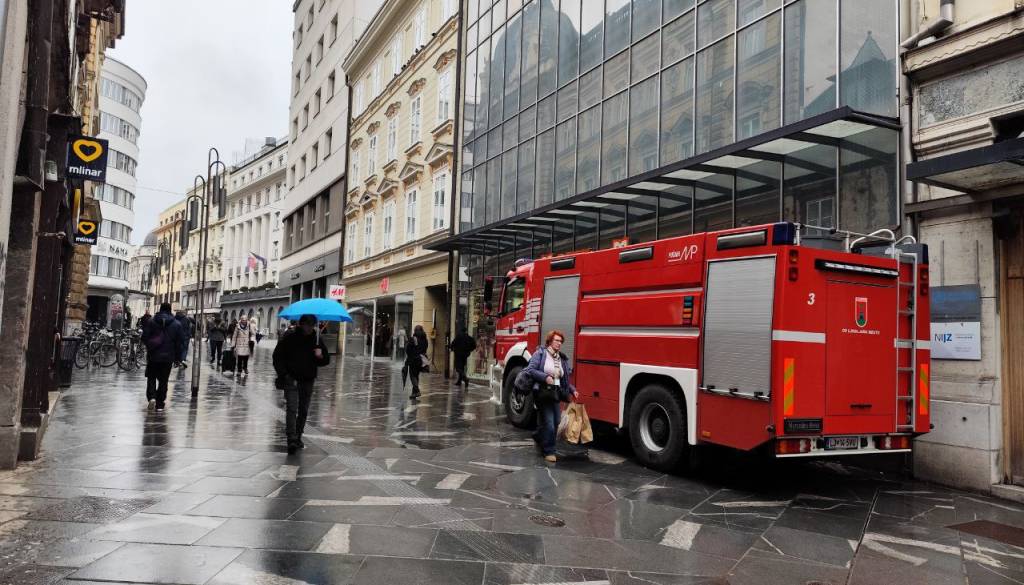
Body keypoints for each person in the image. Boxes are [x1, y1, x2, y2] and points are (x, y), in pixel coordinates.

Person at [273, 314, 330, 454]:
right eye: (307, 325)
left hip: (307, 380)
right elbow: (277, 357)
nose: (310, 328)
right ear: (301, 324)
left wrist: (320, 355)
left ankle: (298, 436)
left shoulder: (317, 339)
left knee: (303, 410)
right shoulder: (289, 338)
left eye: (312, 325)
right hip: (291, 379)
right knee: (292, 409)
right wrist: (284, 374)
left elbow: (325, 361)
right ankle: (291, 438)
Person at [521, 330, 578, 463]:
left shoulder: (561, 358)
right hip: (542, 393)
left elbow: (564, 379)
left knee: (557, 421)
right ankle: (549, 451)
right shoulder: (540, 353)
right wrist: (545, 377)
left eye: (560, 341)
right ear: (550, 341)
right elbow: (530, 370)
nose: (559, 343)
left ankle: (538, 435)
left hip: (555, 393)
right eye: (556, 340)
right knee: (550, 424)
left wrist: (572, 390)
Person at [141, 302, 186, 411]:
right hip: (168, 357)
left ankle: (151, 397)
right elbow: (180, 343)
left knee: (151, 377)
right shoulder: (177, 324)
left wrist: (150, 346)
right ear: (170, 310)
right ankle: (160, 403)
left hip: (153, 355)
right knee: (163, 380)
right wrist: (178, 358)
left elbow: (144, 337)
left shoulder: (151, 321)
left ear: (160, 309)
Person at [405, 324, 429, 399]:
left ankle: (417, 390)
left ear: (415, 331)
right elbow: (425, 349)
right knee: (416, 376)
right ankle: (414, 393)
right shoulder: (425, 339)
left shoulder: (413, 339)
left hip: (413, 360)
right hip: (421, 360)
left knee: (412, 376)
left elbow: (408, 349)